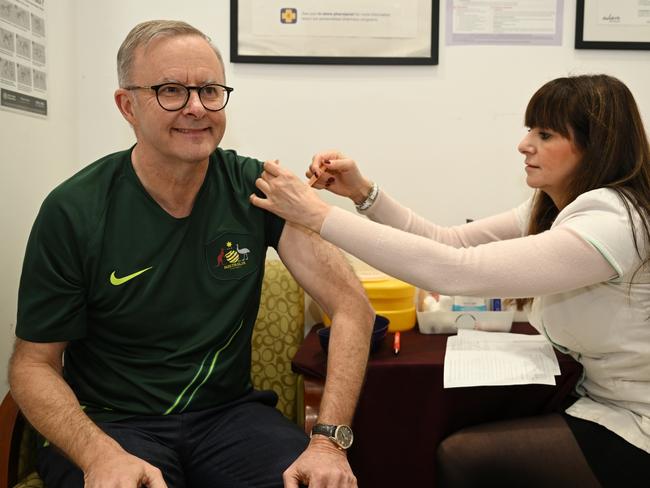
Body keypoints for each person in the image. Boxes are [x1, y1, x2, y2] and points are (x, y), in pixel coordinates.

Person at [9, 20, 375, 488]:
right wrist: (98, 454)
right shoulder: (74, 210)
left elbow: (351, 307)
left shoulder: (256, 188)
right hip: (113, 423)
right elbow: (32, 364)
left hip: (230, 419)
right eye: (170, 91)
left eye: (209, 90)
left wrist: (327, 441)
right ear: (128, 106)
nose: (196, 108)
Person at [250, 74, 650, 487]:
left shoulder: (613, 223)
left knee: (464, 456)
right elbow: (448, 241)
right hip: (599, 401)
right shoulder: (554, 205)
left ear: (595, 145)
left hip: (637, 421)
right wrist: (362, 193)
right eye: (530, 129)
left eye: (545, 133)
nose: (524, 143)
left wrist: (317, 216)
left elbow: (457, 270)